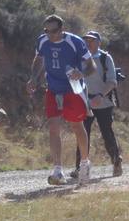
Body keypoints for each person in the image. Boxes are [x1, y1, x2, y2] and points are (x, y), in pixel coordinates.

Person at [27, 14, 96, 186]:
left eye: (54, 31)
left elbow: (91, 66)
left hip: (73, 88)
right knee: (53, 126)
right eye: (47, 31)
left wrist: (81, 73)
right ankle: (57, 170)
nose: (51, 34)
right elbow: (39, 59)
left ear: (62, 29)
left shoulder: (75, 42)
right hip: (53, 88)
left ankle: (85, 164)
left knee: (76, 125)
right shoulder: (42, 41)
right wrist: (34, 78)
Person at [74, 31, 123, 177]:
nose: (88, 43)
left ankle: (116, 161)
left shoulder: (105, 58)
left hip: (103, 102)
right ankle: (79, 168)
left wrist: (100, 95)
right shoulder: (80, 58)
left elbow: (112, 81)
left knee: (107, 133)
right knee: (83, 133)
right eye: (86, 40)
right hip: (85, 101)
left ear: (98, 42)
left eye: (92, 40)